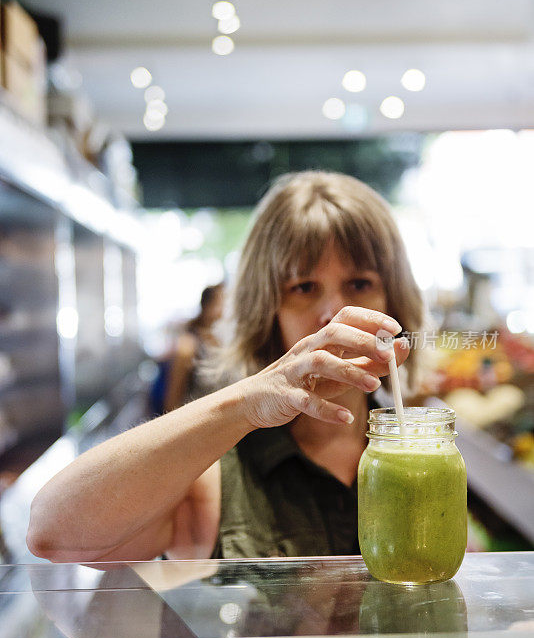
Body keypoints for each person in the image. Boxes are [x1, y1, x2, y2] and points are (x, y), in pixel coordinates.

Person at [27, 171, 424, 563]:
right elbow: (51, 532)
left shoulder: (424, 456)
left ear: (394, 303)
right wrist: (245, 404)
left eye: (359, 284)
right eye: (303, 288)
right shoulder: (214, 474)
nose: (334, 313)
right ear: (267, 311)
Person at [149, 283, 225, 416]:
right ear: (208, 307)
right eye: (222, 302)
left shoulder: (214, 340)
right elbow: (171, 403)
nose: (225, 309)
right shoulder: (188, 345)